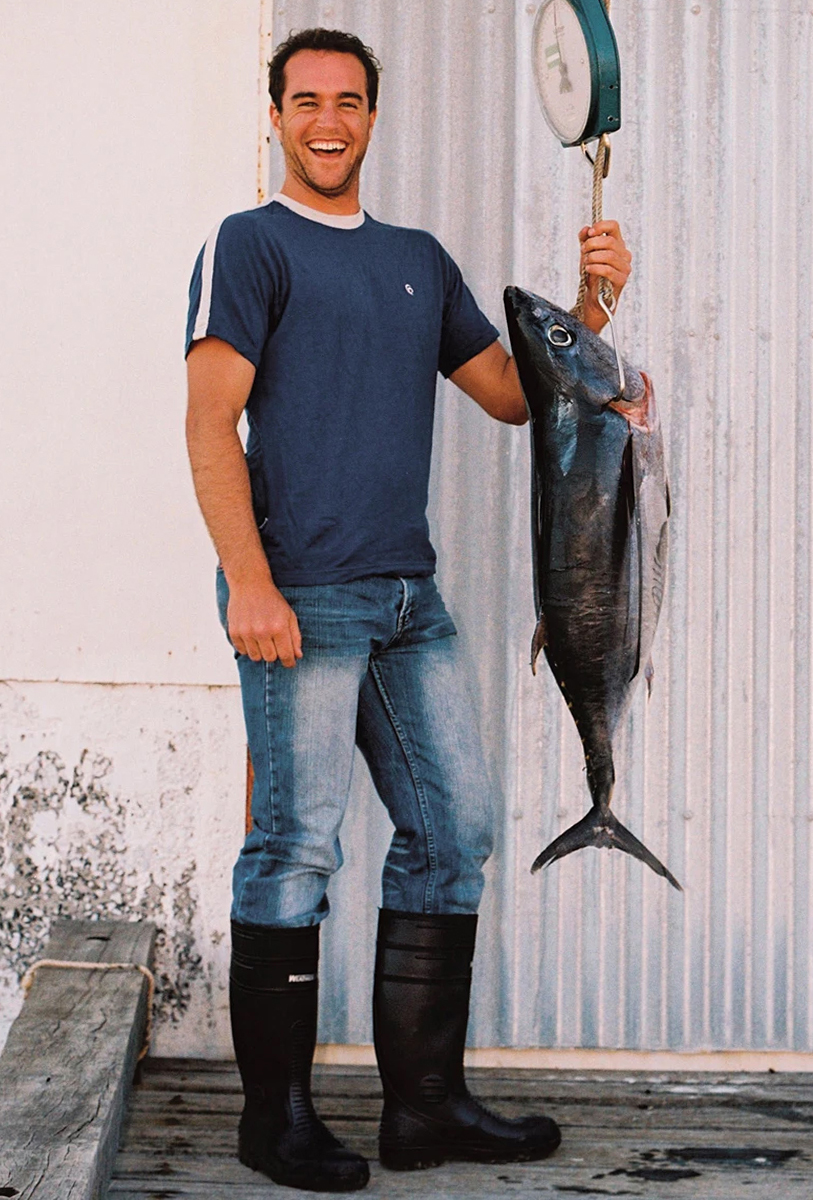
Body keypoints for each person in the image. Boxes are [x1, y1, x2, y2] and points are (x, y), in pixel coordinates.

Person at [184, 27, 632, 1193]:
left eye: (348, 101)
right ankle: (272, 1123)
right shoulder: (249, 246)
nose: (327, 120)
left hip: (405, 599)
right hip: (301, 599)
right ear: (275, 117)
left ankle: (422, 1110)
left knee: (455, 834)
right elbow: (206, 425)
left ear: (374, 118)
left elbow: (518, 398)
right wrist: (249, 580)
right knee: (294, 852)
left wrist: (592, 296)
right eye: (304, 101)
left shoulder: (419, 261)